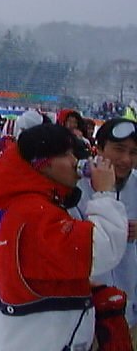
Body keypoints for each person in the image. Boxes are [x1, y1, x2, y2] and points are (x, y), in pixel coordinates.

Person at [0, 124, 128, 350]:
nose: (74, 161)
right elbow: (103, 250)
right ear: (43, 163)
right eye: (66, 154)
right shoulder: (35, 213)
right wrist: (105, 194)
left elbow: (48, 269)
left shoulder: (31, 208)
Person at [72, 118, 137, 345]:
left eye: (134, 152)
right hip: (86, 316)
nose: (126, 159)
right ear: (98, 148)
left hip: (128, 311)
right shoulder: (75, 187)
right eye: (119, 150)